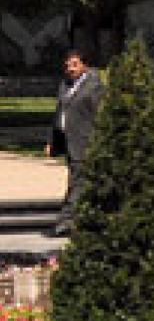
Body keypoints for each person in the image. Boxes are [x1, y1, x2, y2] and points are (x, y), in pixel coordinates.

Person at [46, 48, 104, 237]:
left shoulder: (94, 86)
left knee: (78, 183)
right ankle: (87, 221)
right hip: (70, 143)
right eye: (68, 65)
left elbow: (101, 115)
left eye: (74, 64)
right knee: (80, 181)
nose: (70, 68)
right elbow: (59, 114)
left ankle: (65, 221)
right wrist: (52, 142)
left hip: (85, 143)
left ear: (84, 65)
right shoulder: (66, 85)